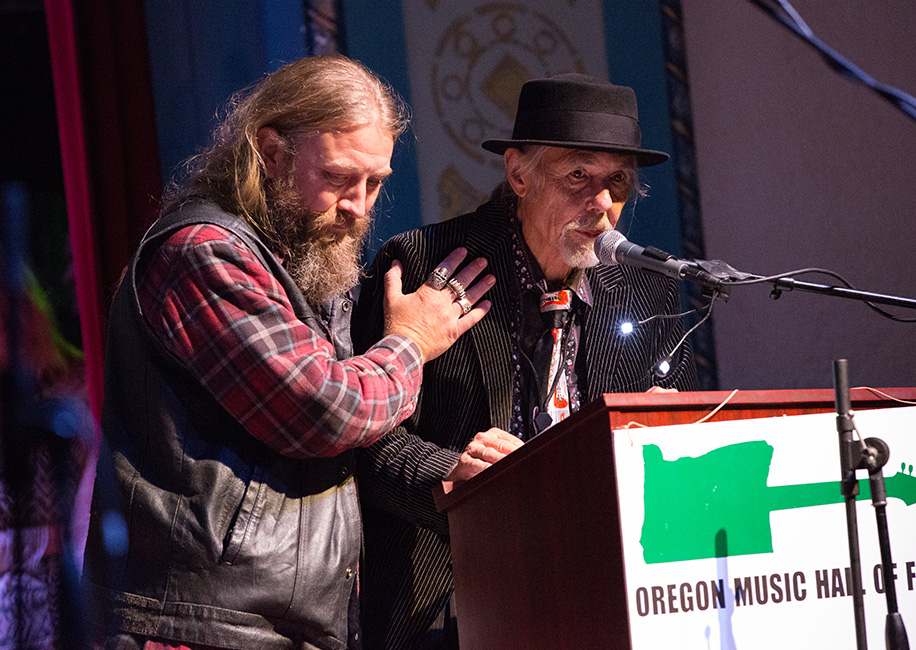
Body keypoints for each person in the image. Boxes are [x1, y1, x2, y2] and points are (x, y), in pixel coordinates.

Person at [83, 55, 493, 650]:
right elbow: (326, 409)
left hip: (272, 625)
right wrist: (411, 342)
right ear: (270, 153)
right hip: (198, 627)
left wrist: (451, 472)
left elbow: (358, 442)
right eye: (337, 178)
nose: (358, 205)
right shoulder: (202, 253)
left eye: (374, 182)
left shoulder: (302, 267)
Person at [352, 73, 699, 649]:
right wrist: (453, 476)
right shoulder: (424, 264)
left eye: (616, 182)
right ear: (518, 174)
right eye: (578, 176)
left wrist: (669, 434)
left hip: (605, 585)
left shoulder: (646, 291)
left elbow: (676, 448)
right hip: (454, 591)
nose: (602, 205)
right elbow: (368, 443)